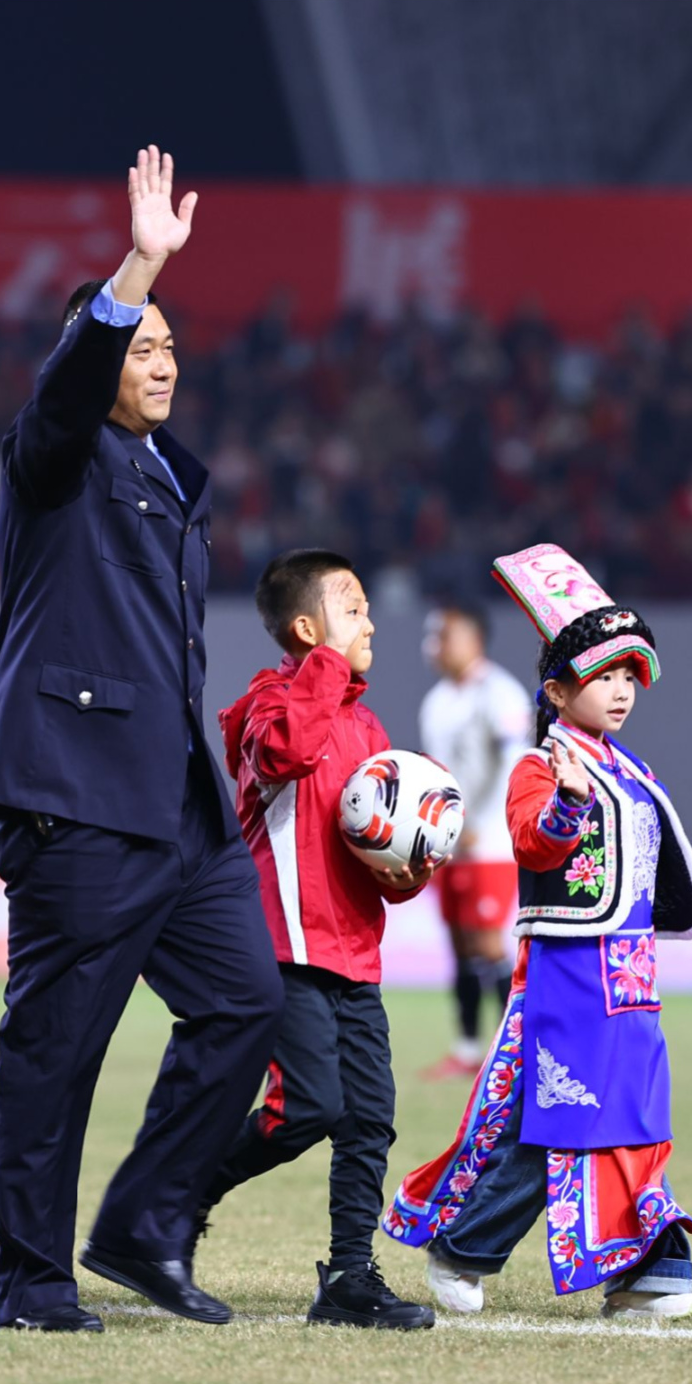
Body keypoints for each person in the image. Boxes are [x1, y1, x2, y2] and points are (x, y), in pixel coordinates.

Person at [0, 148, 283, 1332]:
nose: (164, 362)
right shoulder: (52, 459)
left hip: (177, 806)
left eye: (168, 345)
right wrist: (138, 267)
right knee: (58, 1049)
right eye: (140, 346)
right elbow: (63, 396)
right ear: (92, 361)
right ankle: (32, 1279)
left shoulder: (169, 476)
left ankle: (143, 1227)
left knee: (246, 1002)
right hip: (75, 797)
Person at [383, 544, 692, 1319]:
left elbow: (675, 877)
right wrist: (567, 802)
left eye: (630, 675)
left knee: (627, 1120)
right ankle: (483, 1251)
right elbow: (533, 843)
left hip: (629, 982)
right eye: (604, 675)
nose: (622, 689)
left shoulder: (633, 776)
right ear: (558, 691)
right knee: (565, 1124)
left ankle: (643, 1274)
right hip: (567, 980)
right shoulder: (542, 766)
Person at [191, 548, 437, 1330]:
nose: (370, 623)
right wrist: (326, 666)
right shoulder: (262, 707)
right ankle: (182, 1191)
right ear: (305, 629)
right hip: (282, 948)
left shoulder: (367, 726)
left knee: (368, 1117)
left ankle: (350, 1278)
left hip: (354, 954)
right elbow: (287, 754)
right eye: (352, 608)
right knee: (304, 1109)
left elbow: (376, 857)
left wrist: (409, 870)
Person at [417, 600, 531, 1079]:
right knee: (461, 944)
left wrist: (482, 821)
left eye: (445, 635)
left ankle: (517, 1054)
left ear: (474, 638)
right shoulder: (438, 700)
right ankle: (467, 1050)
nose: (434, 646)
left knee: (488, 943)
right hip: (448, 844)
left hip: (489, 844)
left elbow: (514, 762)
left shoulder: (501, 693)